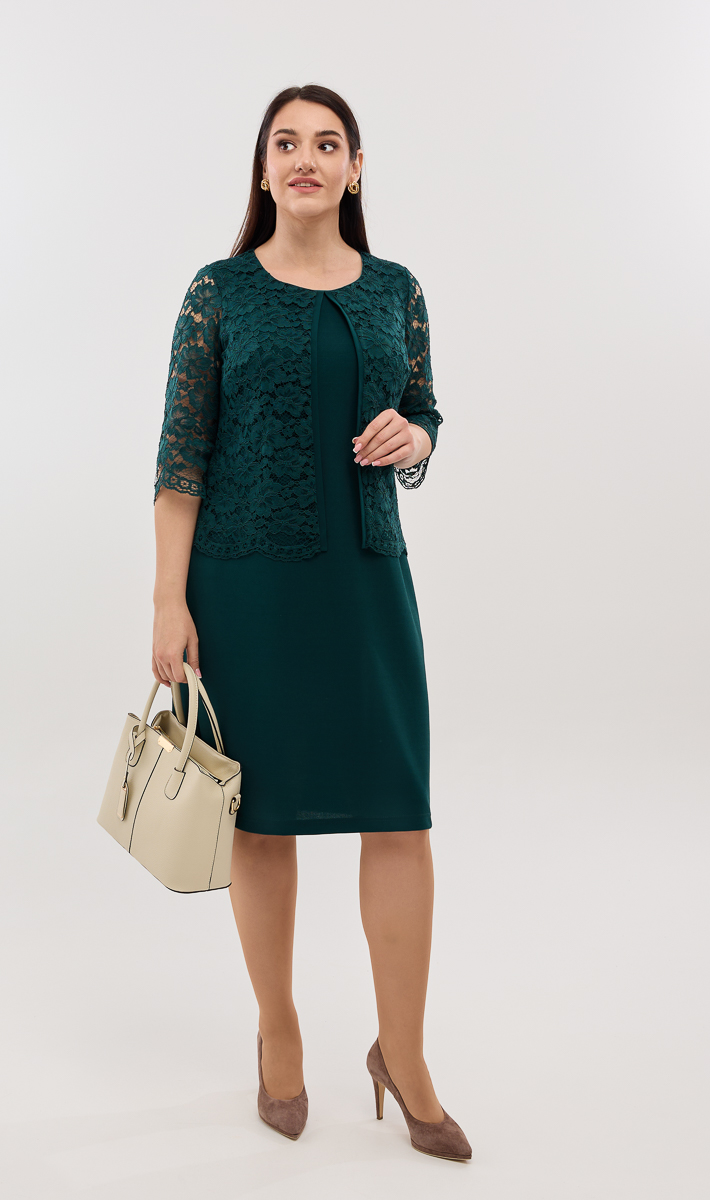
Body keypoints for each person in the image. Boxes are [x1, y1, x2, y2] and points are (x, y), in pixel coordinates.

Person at [150, 83, 470, 1162]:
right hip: (246, 590)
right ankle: (278, 1029)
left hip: (367, 584)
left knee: (401, 815)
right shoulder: (219, 293)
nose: (306, 158)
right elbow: (180, 460)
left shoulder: (396, 290)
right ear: (263, 168)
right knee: (264, 819)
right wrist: (169, 601)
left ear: (355, 169)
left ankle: (403, 1053)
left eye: (328, 144)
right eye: (286, 142)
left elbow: (424, 409)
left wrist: (416, 438)